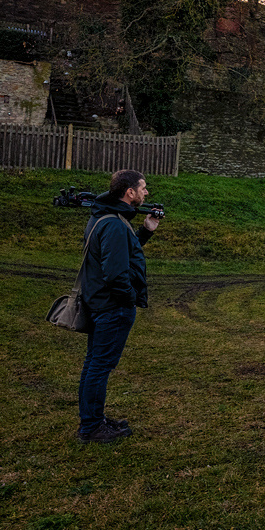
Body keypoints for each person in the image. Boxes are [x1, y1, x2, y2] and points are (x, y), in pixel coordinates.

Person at [76, 169, 162, 444]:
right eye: (143, 188)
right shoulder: (113, 222)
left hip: (101, 302)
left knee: (94, 365)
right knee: (99, 367)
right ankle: (91, 428)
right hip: (112, 306)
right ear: (129, 192)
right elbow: (115, 273)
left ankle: (94, 420)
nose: (146, 193)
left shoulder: (106, 216)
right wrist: (128, 299)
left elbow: (123, 249)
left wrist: (146, 231)